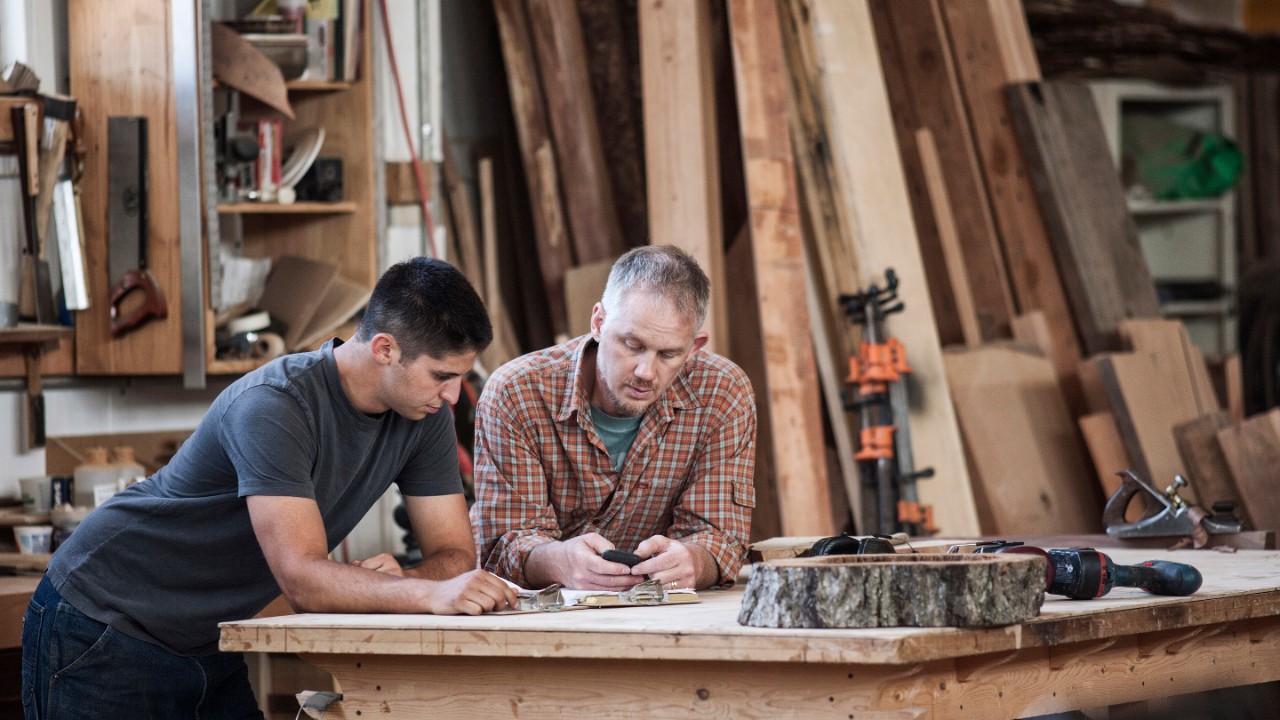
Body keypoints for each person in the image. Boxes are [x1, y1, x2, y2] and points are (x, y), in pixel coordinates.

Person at [22, 257, 517, 720]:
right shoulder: (275, 406)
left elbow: (454, 555)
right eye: (442, 376)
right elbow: (304, 581)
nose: (453, 395)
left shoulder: (423, 412)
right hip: (106, 618)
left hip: (205, 638)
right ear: (386, 349)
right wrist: (417, 591)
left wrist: (404, 581)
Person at [470, 245, 757, 593]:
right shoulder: (516, 394)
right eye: (632, 345)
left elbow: (720, 536)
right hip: (543, 618)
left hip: (667, 616)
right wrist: (557, 561)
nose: (646, 372)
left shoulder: (723, 394)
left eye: (669, 354)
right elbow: (502, 543)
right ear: (598, 322)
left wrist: (693, 562)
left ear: (694, 347)